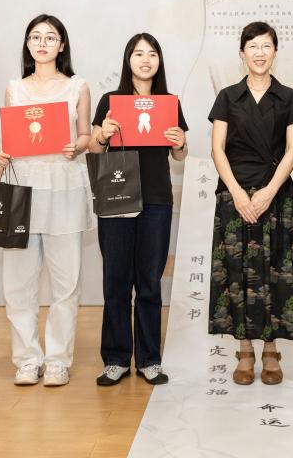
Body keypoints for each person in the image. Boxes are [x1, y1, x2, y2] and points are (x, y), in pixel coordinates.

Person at [208, 21, 293, 386]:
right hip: (234, 194)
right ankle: (244, 349)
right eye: (253, 46)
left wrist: (268, 191)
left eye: (266, 46)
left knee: (275, 271)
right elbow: (217, 148)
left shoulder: (290, 98)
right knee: (237, 272)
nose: (260, 53)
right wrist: (237, 193)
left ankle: (270, 350)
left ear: (275, 52)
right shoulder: (227, 97)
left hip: (276, 194)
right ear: (242, 54)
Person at [0, 14, 93, 387]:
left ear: (61, 45)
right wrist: (4, 155)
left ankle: (57, 360)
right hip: (21, 188)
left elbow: (85, 135)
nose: (42, 43)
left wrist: (77, 146)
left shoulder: (77, 86)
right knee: (17, 282)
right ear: (27, 44)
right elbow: (11, 141)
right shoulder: (14, 88)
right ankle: (26, 359)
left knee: (66, 282)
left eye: (50, 37)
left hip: (63, 186)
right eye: (35, 37)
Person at [88, 33, 188, 386]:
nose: (146, 60)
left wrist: (180, 143)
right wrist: (103, 134)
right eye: (138, 53)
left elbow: (179, 155)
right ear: (128, 59)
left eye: (152, 54)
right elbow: (94, 149)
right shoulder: (110, 101)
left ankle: (149, 359)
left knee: (149, 282)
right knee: (116, 281)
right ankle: (115, 359)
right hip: (117, 196)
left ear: (159, 61)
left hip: (157, 199)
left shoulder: (169, 103)